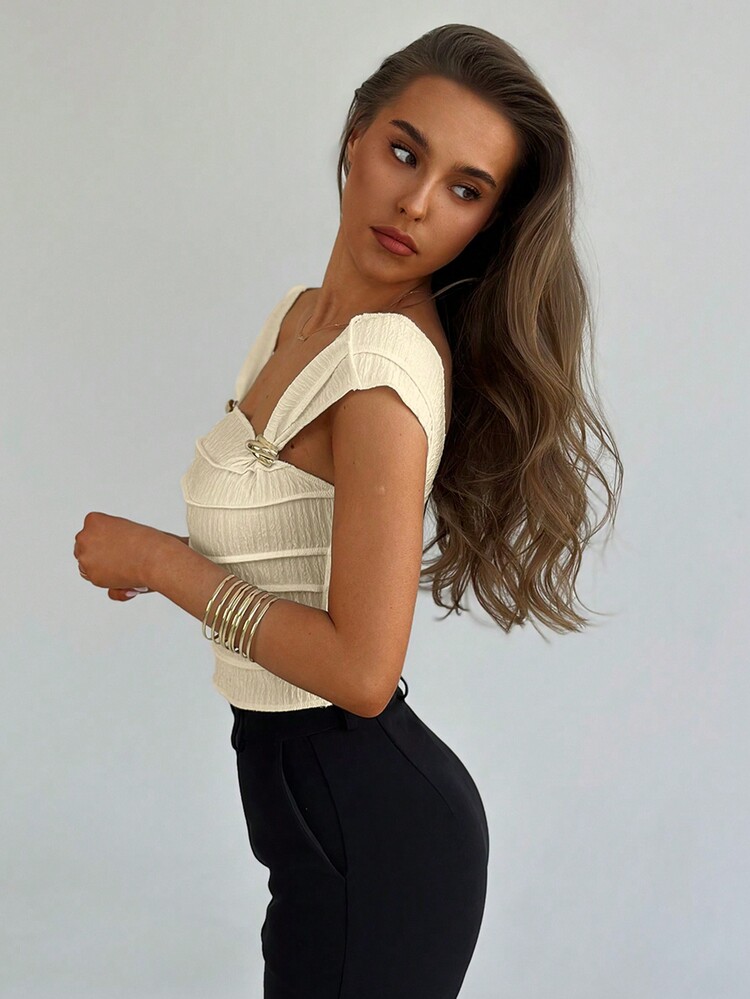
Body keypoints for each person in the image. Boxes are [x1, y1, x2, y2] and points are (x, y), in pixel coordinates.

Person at [74, 23, 622, 999]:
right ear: (358, 132)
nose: (416, 202)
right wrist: (173, 561)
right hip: (316, 813)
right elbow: (289, 533)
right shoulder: (301, 320)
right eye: (406, 153)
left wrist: (161, 562)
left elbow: (363, 676)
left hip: (372, 830)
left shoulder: (378, 370)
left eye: (465, 189)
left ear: (487, 224)